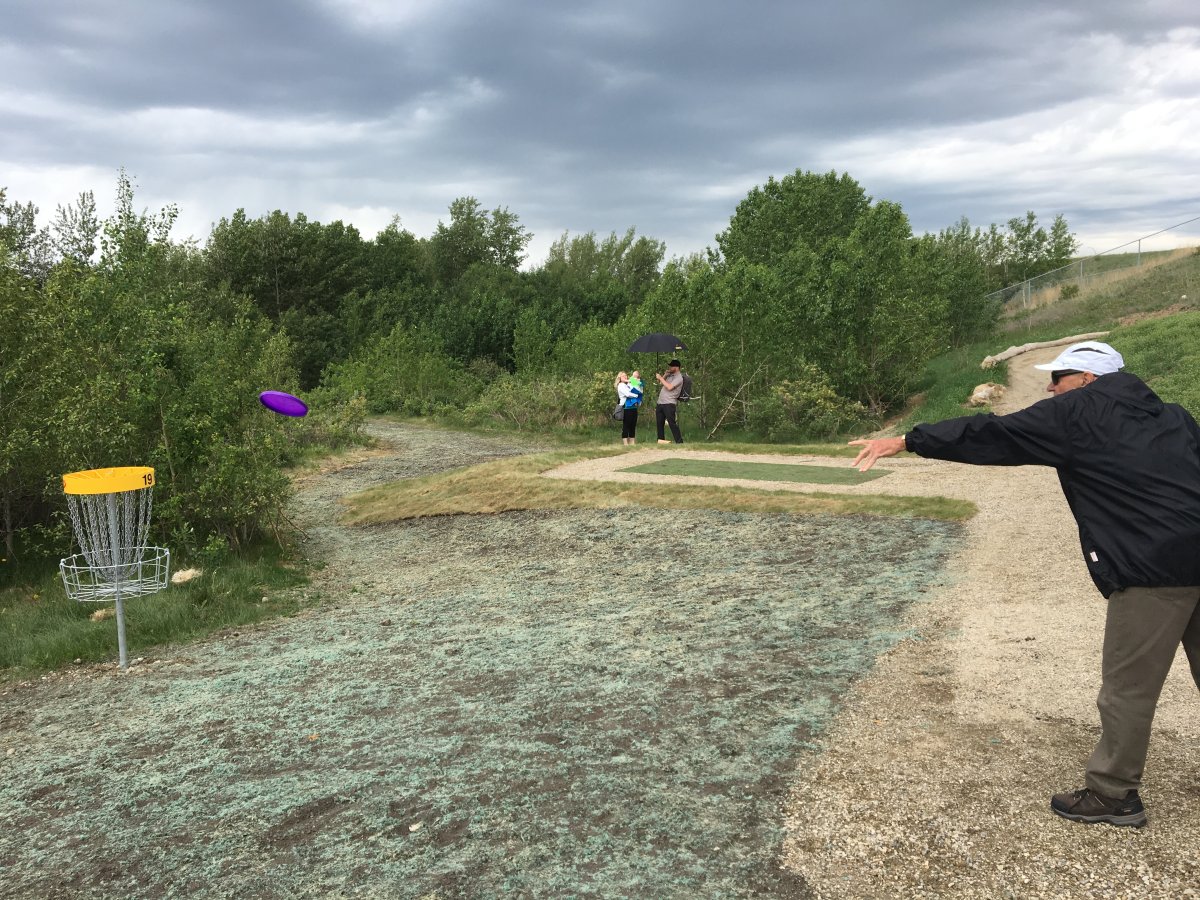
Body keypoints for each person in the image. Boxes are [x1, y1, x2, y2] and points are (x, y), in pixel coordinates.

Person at [849, 340, 1200, 828]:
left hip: (1154, 567)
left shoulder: (1077, 411)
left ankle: (1114, 794)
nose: (1051, 387)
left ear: (1087, 378)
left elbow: (992, 434)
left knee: (1127, 690)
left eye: (1058, 378)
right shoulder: (1174, 415)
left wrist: (909, 440)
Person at [655, 359, 685, 444]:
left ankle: (679, 442)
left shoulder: (679, 378)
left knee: (672, 423)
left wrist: (660, 378)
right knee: (659, 424)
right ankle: (661, 441)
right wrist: (664, 375)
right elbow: (661, 383)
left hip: (669, 403)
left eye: (671, 366)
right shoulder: (670, 375)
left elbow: (669, 387)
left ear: (677, 367)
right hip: (660, 402)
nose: (670, 367)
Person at [615, 371, 642, 446]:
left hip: (633, 407)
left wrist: (634, 381)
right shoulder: (621, 385)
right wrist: (636, 396)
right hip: (626, 408)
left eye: (626, 376)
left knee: (633, 425)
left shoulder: (628, 385)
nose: (625, 377)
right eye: (623, 376)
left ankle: (632, 442)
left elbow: (638, 384)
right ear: (620, 377)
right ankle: (625, 443)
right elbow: (627, 394)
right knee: (626, 425)